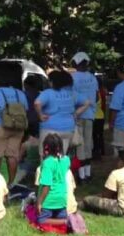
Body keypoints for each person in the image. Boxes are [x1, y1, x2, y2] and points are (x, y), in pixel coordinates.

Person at [35, 70, 89, 158]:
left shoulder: (48, 93)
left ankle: (47, 172)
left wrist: (40, 115)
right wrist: (76, 114)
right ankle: (60, 171)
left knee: (46, 158)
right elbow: (87, 102)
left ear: (52, 82)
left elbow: (37, 103)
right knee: (61, 157)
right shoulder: (72, 94)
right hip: (68, 129)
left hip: (50, 130)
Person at [0, 78, 29, 185]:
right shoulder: (20, 94)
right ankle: (10, 184)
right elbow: (26, 110)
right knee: (12, 156)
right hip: (18, 128)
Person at [71, 52, 99, 182]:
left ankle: (81, 176)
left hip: (77, 114)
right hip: (90, 114)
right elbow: (97, 96)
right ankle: (88, 174)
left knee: (79, 144)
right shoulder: (93, 78)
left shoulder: (73, 77)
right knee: (88, 143)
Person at [36, 134, 70, 226]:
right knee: (60, 215)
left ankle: (66, 222)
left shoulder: (47, 163)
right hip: (62, 199)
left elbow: (47, 185)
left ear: (46, 148)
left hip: (49, 201)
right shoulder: (66, 160)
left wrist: (40, 202)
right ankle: (65, 220)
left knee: (41, 221)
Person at [93, 77, 108, 160]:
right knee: (100, 135)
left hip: (95, 116)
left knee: (95, 136)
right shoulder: (102, 91)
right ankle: (102, 151)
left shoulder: (96, 92)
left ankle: (96, 151)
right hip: (101, 115)